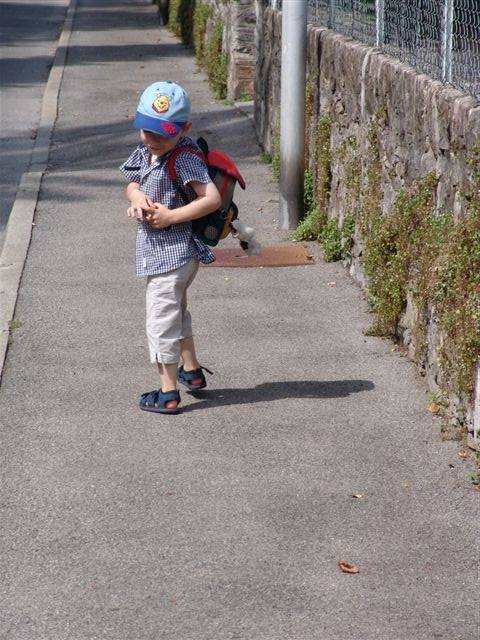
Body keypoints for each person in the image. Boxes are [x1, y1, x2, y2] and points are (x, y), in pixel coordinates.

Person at [120, 81, 221, 414]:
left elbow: (211, 198)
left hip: (174, 255)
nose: (152, 139)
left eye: (162, 134)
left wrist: (170, 216)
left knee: (160, 322)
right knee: (176, 312)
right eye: (146, 130)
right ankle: (191, 371)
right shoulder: (149, 149)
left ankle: (168, 394)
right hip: (166, 254)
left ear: (184, 129)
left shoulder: (184, 158)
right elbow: (132, 182)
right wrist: (137, 198)